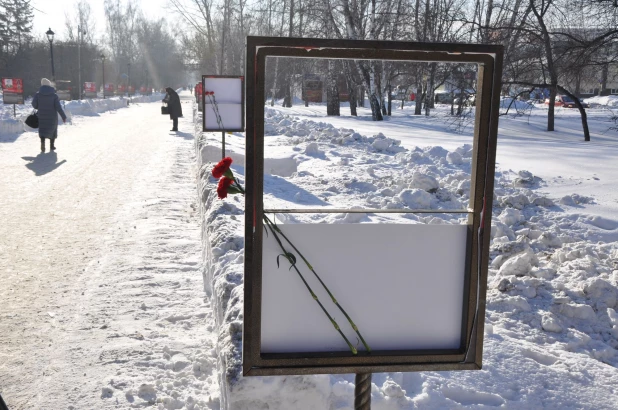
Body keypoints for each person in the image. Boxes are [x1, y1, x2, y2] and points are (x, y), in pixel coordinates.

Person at [32, 78, 66, 152]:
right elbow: (58, 107)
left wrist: (39, 107)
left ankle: (43, 145)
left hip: (42, 116)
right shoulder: (54, 95)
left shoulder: (38, 94)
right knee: (52, 130)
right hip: (52, 117)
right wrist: (63, 116)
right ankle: (52, 145)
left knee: (42, 130)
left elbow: (34, 105)